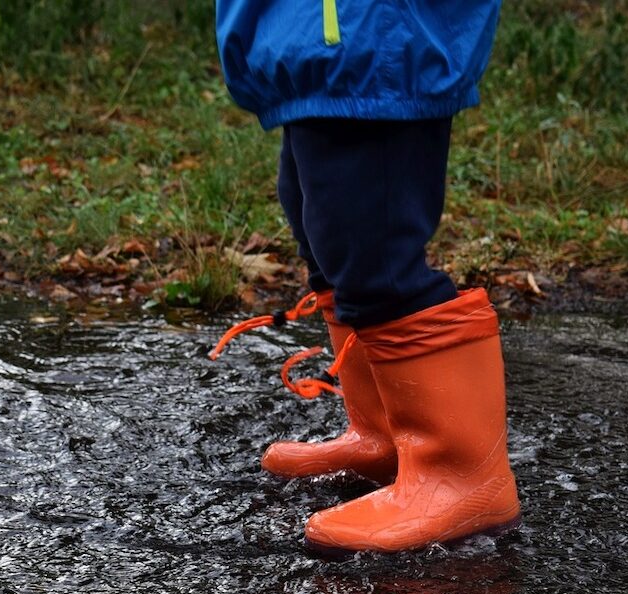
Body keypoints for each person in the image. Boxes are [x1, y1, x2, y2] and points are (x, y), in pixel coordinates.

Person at [214, 0, 521, 554]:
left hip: (370, 38)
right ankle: (386, 436)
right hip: (314, 42)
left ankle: (461, 476)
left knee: (372, 250)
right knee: (326, 236)